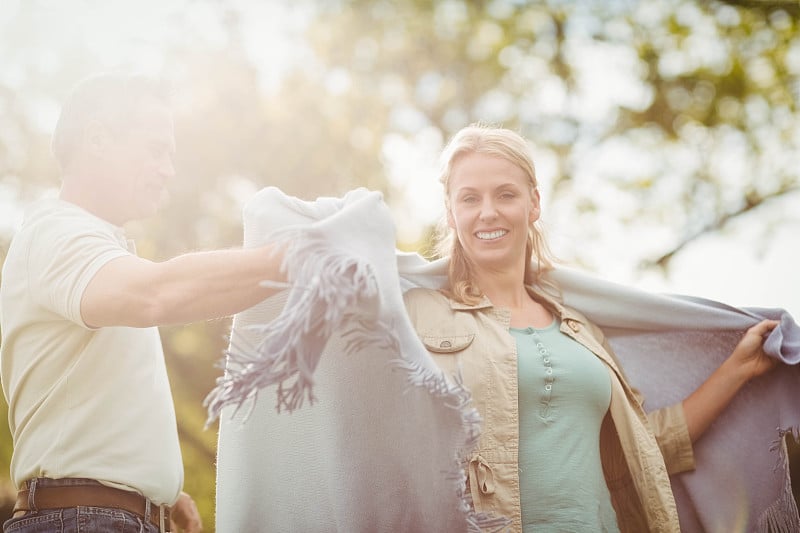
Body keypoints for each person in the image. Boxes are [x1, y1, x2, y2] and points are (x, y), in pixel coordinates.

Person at [403, 124, 780, 532]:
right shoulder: (419, 314)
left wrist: (739, 367)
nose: (488, 212)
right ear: (450, 212)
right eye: (469, 198)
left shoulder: (580, 330)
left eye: (506, 194)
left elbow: (642, 450)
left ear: (534, 204)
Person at [0, 72, 286, 532]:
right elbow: (160, 293)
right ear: (97, 138)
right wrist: (299, 257)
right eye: (157, 150)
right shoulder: (56, 232)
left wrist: (158, 492)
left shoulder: (93, 248)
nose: (169, 170)